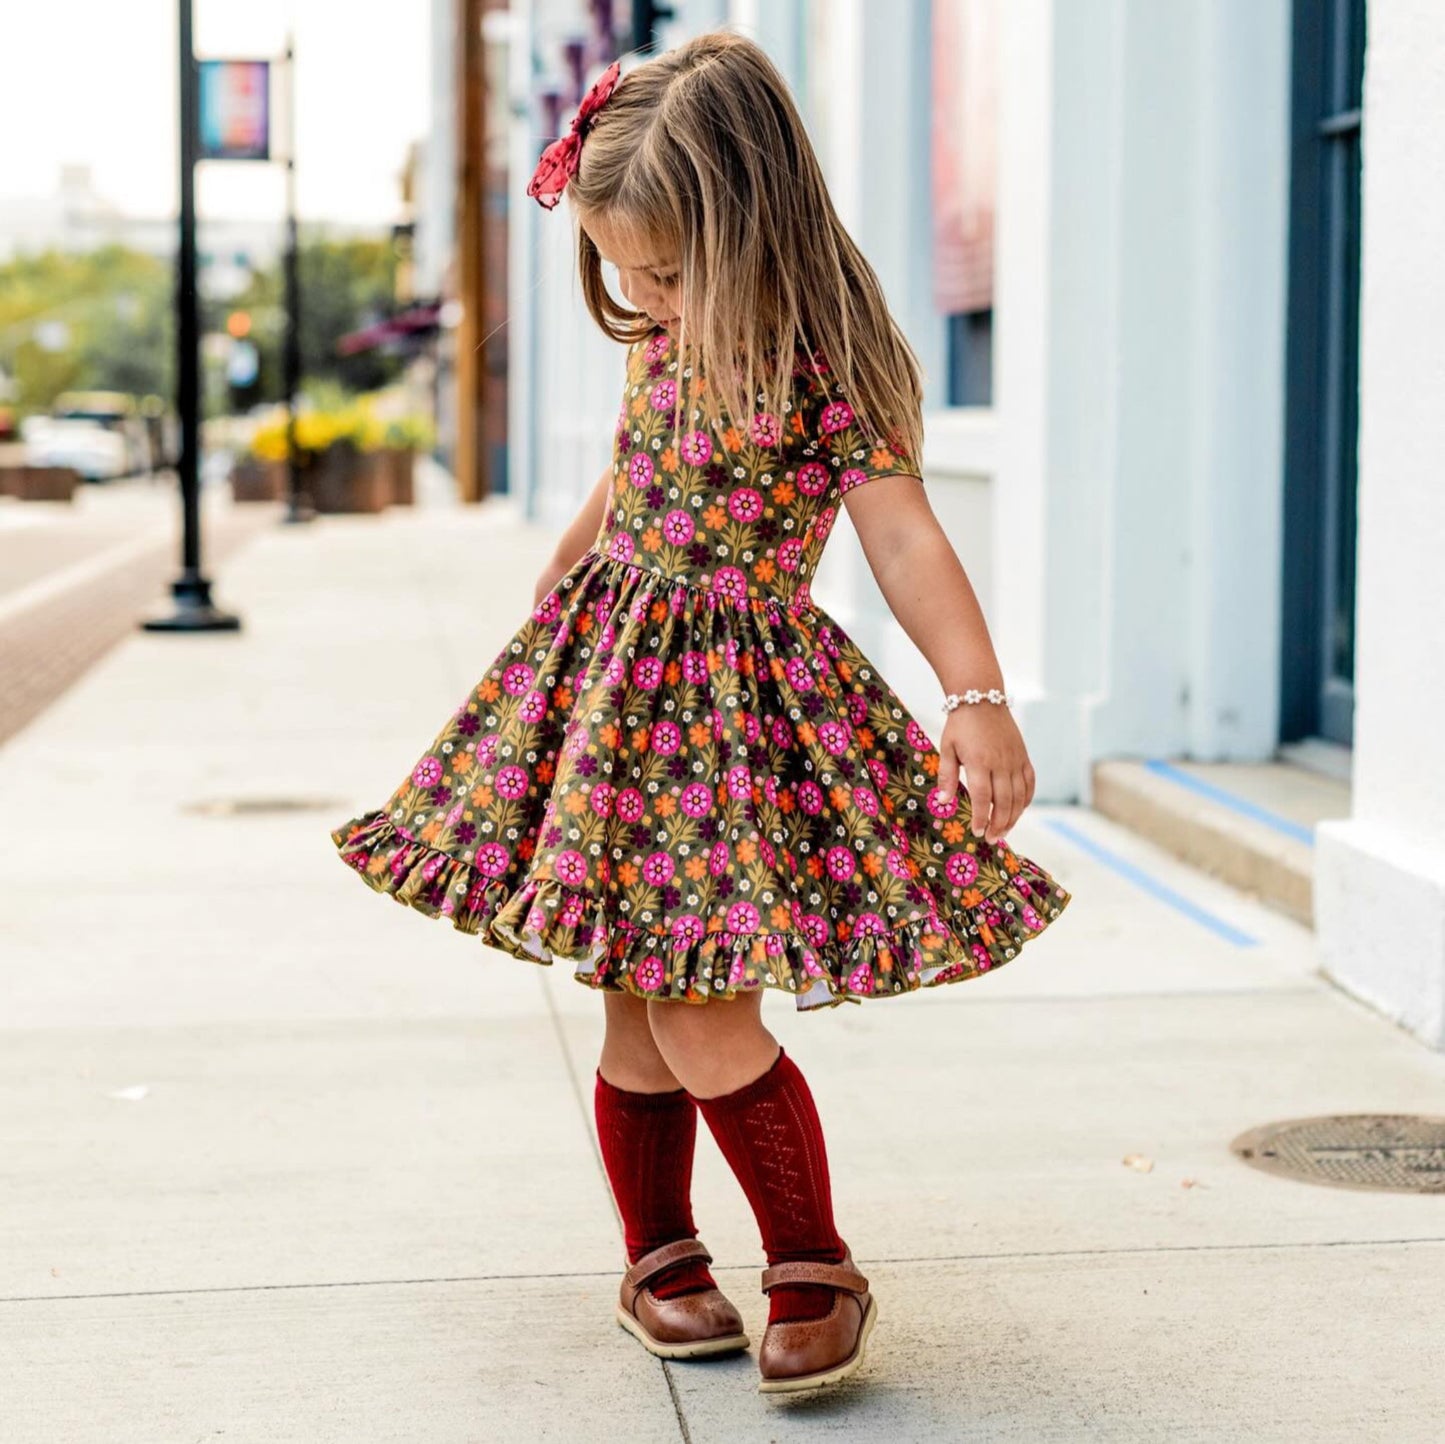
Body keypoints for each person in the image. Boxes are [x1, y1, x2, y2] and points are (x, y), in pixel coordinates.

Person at [331, 28, 1072, 1396]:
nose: (645, 295)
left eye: (665, 270)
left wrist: (973, 697)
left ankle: (811, 1262)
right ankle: (659, 1256)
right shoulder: (662, 342)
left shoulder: (820, 362)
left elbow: (904, 541)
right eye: (623, 269)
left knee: (703, 1010)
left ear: (750, 225)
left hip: (726, 730)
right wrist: (553, 602)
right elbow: (629, 486)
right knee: (632, 1006)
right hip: (614, 701)